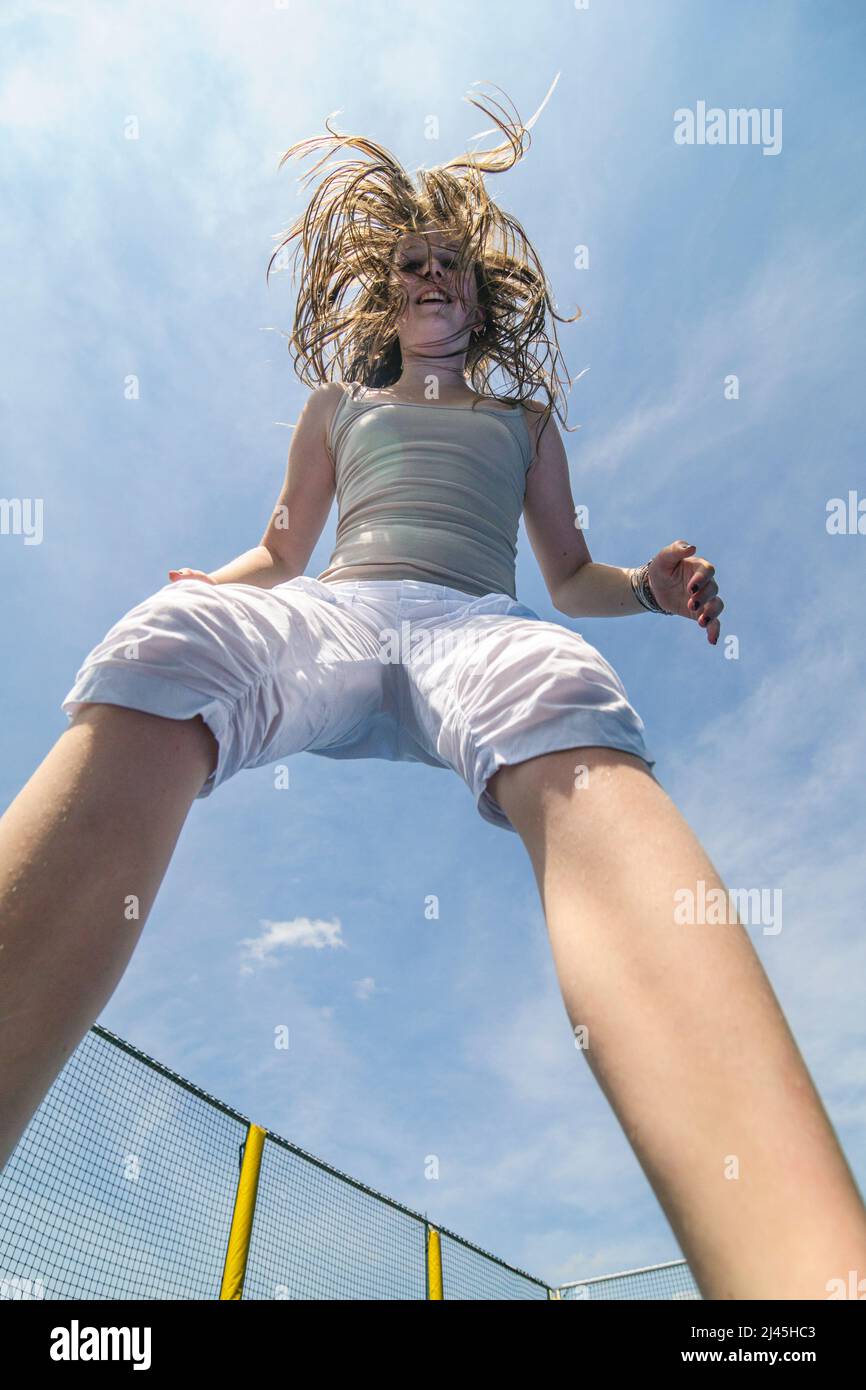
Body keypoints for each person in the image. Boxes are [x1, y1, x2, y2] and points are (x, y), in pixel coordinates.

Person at [1, 83, 864, 1302]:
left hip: (473, 621)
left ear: (479, 294)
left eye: (450, 264)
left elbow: (567, 576)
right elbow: (281, 550)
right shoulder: (337, 406)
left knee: (570, 687)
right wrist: (214, 585)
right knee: (171, 634)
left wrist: (653, 589)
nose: (429, 277)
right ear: (383, 290)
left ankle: (803, 1289)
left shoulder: (523, 419)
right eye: (409, 262)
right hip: (341, 608)